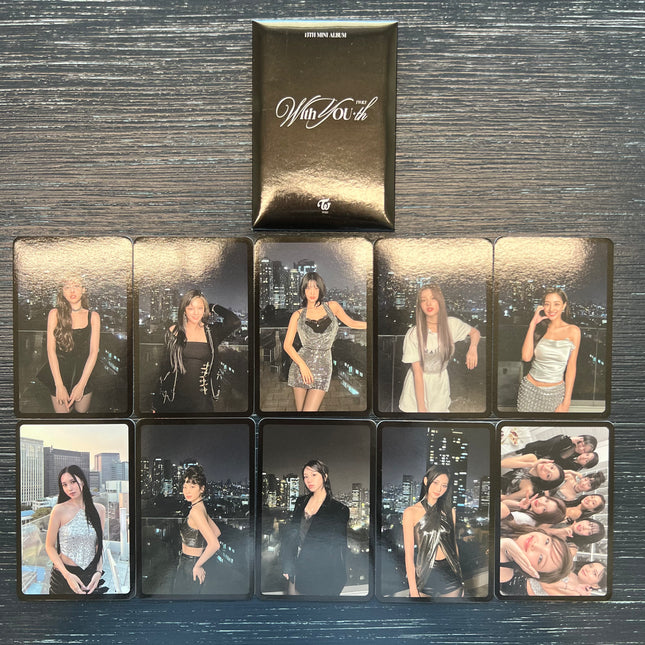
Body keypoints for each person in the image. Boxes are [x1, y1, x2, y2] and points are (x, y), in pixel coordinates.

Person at [284, 273, 366, 412]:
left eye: (315, 288)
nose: (312, 292)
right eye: (308, 288)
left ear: (321, 289)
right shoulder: (297, 315)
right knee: (301, 415)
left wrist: (374, 326)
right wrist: (302, 366)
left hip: (324, 366)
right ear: (303, 290)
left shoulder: (332, 307)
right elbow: (287, 345)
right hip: (301, 367)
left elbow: (352, 323)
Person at [399, 284, 480, 413]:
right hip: (416, 390)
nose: (428, 303)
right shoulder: (413, 334)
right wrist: (421, 408)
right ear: (420, 305)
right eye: (423, 300)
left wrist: (473, 348)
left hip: (440, 384)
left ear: (440, 301)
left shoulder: (451, 324)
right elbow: (417, 373)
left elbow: (475, 333)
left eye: (433, 298)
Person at [157, 289, 240, 413]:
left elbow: (235, 322)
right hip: (174, 400)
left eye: (200, 308)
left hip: (202, 401)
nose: (196, 312)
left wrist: (213, 306)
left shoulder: (212, 333)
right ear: (184, 310)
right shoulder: (174, 331)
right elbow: (164, 367)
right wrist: (157, 402)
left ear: (204, 310)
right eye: (191, 308)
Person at [281, 460, 349, 596]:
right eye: (305, 476)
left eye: (314, 475)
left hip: (322, 574)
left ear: (325, 476)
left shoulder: (339, 509)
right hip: (297, 567)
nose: (309, 480)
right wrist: (287, 564)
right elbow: (292, 535)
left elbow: (337, 547)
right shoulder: (300, 502)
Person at [38, 276, 100, 413]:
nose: (72, 291)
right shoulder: (54, 314)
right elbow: (50, 351)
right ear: (62, 291)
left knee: (82, 413)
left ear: (83, 290)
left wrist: (81, 385)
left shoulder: (93, 316)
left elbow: (93, 352)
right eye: (67, 287)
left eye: (76, 286)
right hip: (59, 372)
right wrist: (59, 385)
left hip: (85, 372)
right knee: (63, 416)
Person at [401, 465, 463, 598]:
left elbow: (454, 546)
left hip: (450, 573)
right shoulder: (410, 512)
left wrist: (460, 577)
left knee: (450, 611)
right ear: (426, 481)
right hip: (425, 573)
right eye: (435, 482)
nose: (439, 489)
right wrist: (413, 590)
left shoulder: (450, 512)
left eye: (444, 485)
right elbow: (409, 556)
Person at [45, 465, 107, 595]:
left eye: (73, 482)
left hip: (91, 576)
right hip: (64, 576)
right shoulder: (58, 510)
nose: (69, 488)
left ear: (82, 481)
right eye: (64, 485)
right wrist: (68, 576)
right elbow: (49, 546)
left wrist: (98, 571)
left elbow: (98, 545)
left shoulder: (99, 510)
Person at [517, 288, 581, 413]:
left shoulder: (573, 331)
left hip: (555, 394)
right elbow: (526, 357)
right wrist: (532, 325)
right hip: (529, 390)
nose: (551, 309)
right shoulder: (539, 329)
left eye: (556, 304)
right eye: (547, 304)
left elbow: (571, 367)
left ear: (564, 306)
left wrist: (566, 402)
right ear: (542, 306)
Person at [174, 465, 221, 594]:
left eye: (192, 487)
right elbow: (217, 532)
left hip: (190, 565)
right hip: (192, 561)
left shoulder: (196, 511)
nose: (187, 491)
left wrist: (197, 565)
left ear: (202, 489)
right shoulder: (200, 507)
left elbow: (215, 544)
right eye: (185, 487)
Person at [499, 525, 572, 596]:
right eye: (547, 542)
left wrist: (503, 546)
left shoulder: (504, 573)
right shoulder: (514, 526)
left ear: (531, 572)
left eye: (540, 559)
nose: (535, 545)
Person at [517, 434, 597, 470]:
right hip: (531, 452)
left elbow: (556, 460)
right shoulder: (564, 439)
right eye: (583, 444)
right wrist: (568, 440)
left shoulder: (573, 458)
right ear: (581, 439)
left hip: (535, 464)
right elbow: (547, 446)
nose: (581, 448)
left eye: (584, 450)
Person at [500, 455, 565, 500]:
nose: (546, 469)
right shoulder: (532, 458)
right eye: (552, 467)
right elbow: (502, 463)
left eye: (548, 475)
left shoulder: (528, 490)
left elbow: (503, 498)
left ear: (544, 481)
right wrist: (531, 464)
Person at [527, 560, 607, 596]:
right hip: (525, 577)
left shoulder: (577, 595)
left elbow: (546, 585)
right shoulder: (570, 569)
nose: (588, 569)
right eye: (590, 565)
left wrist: (572, 588)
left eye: (594, 573)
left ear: (595, 585)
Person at [500, 492, 567, 526]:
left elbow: (501, 509)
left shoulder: (525, 519)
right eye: (546, 500)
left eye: (544, 509)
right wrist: (518, 504)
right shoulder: (528, 511)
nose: (541, 503)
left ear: (544, 517)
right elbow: (504, 504)